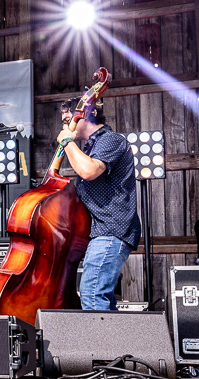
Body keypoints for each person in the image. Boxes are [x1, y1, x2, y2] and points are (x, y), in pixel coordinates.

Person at [57, 97, 141, 310]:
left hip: (112, 230)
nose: (65, 125)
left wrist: (67, 142)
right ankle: (111, 344)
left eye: (68, 119)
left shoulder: (111, 140)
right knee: (102, 300)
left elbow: (88, 171)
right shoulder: (91, 147)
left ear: (85, 115)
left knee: (92, 295)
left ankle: (98, 345)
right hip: (102, 231)